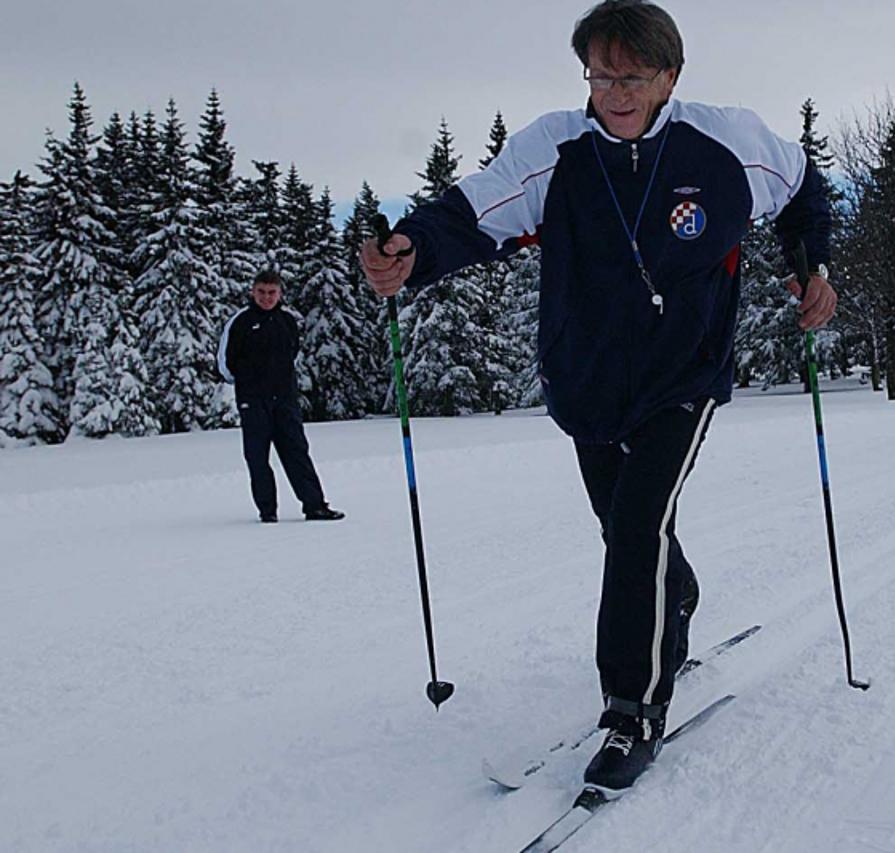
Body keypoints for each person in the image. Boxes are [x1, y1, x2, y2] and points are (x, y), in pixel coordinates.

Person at [361, 0, 833, 796]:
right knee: (625, 530)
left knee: (638, 524)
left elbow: (804, 188)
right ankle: (674, 594)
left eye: (631, 74)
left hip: (684, 372)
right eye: (600, 73)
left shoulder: (728, 144)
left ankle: (633, 708)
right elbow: (475, 209)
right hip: (587, 378)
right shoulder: (557, 149)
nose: (613, 91)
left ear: (669, 76)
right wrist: (410, 251)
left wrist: (811, 266)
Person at [217, 270, 345, 522]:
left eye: (272, 292)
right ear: (253, 292)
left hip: (285, 400)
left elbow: (292, 354)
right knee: (257, 457)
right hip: (253, 401)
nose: (266, 297)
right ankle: (267, 511)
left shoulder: (287, 321)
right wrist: (248, 383)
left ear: (280, 293)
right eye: (262, 292)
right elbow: (224, 363)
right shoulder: (240, 321)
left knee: (297, 452)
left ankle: (315, 506)